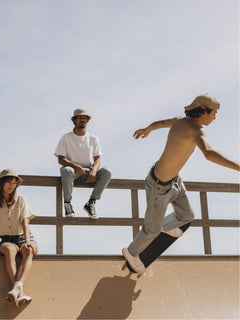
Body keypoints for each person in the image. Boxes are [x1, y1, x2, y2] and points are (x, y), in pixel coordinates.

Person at [122, 93, 240, 273]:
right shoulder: (196, 130)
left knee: (186, 216)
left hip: (175, 182)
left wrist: (147, 129)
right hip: (158, 186)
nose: (215, 117)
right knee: (151, 230)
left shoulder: (179, 120)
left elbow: (159, 124)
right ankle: (131, 252)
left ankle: (160, 225)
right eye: (214, 113)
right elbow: (209, 154)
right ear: (204, 111)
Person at [0, 169, 38, 307]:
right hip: (6, 239)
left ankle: (16, 288)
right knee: (9, 251)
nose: (12, 185)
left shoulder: (21, 199)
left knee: (29, 251)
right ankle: (20, 292)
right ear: (1, 183)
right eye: (9, 182)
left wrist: (28, 241)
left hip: (23, 236)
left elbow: (25, 221)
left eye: (14, 183)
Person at [54, 108, 112, 219]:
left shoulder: (93, 138)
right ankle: (67, 203)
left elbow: (97, 159)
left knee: (107, 172)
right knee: (66, 170)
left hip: (87, 171)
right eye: (80, 117)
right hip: (72, 170)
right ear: (74, 120)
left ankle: (91, 203)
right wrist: (74, 165)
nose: (83, 119)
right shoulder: (66, 137)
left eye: (85, 118)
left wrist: (94, 170)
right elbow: (60, 159)